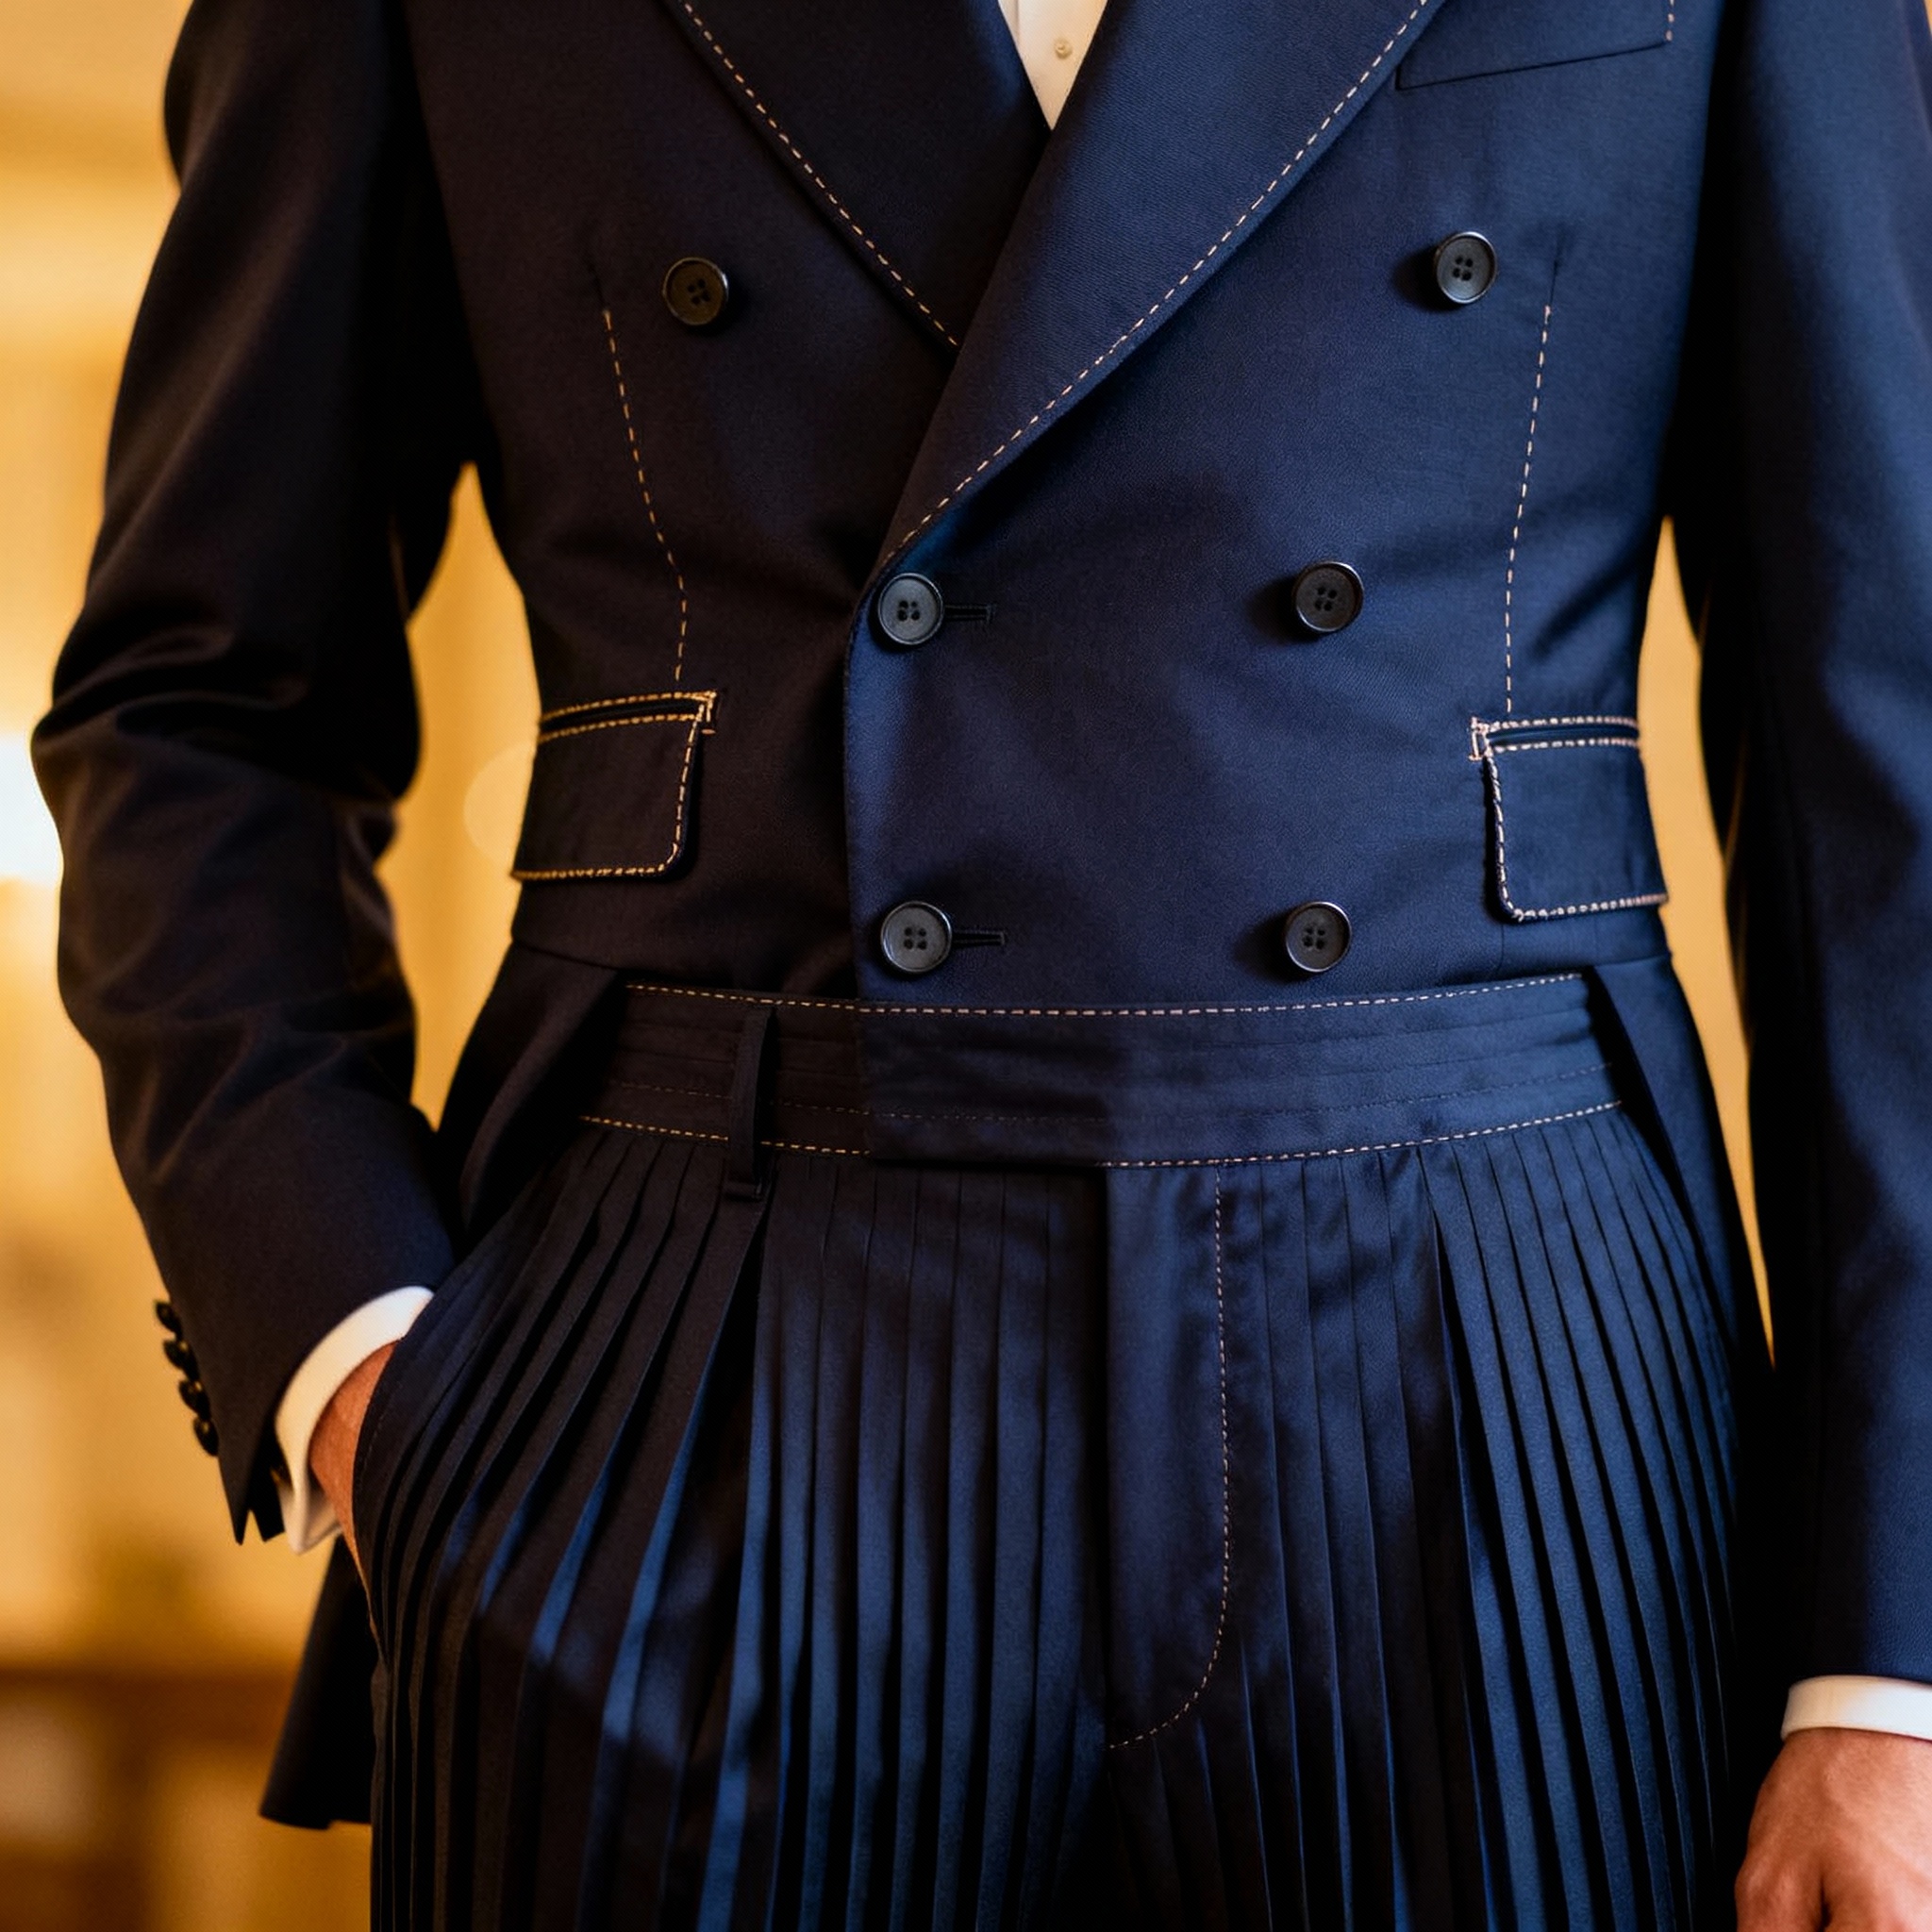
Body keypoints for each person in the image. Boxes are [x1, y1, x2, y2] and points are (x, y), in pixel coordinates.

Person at [33, 0, 1932, 1922]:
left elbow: (1892, 764)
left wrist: (1896, 1661)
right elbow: (201, 707)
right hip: (701, 1340)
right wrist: (359, 1358)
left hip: (1485, 1358)